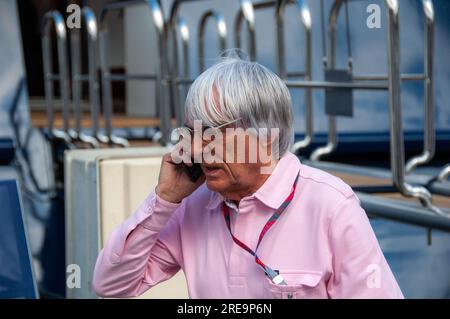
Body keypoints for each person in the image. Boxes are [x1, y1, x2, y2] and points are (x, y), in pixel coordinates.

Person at [92, 56, 403, 299]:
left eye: (211, 134)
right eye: (191, 134)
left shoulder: (331, 206)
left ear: (265, 137)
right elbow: (112, 284)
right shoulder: (193, 205)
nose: (197, 150)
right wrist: (164, 199)